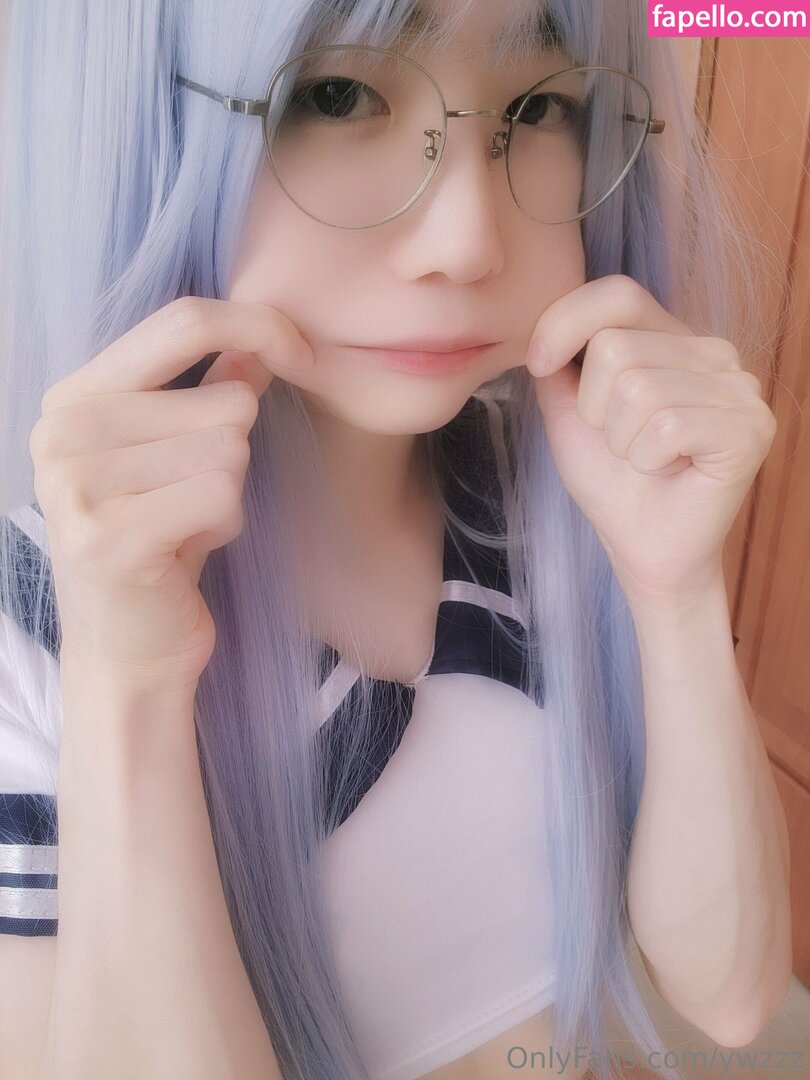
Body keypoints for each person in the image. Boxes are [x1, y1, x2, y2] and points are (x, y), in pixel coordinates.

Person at [0, 0, 792, 1078]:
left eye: (539, 108)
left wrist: (678, 591)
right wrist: (127, 683)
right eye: (335, 95)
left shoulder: (558, 501)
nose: (467, 241)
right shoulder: (35, 635)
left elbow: (732, 994)